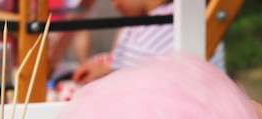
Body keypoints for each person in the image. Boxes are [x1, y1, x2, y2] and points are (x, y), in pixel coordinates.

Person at [71, 0, 226, 84]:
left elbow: (145, 83)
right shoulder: (145, 22)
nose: (114, 5)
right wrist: (107, 69)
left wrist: (111, 73)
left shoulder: (174, 24)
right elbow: (134, 66)